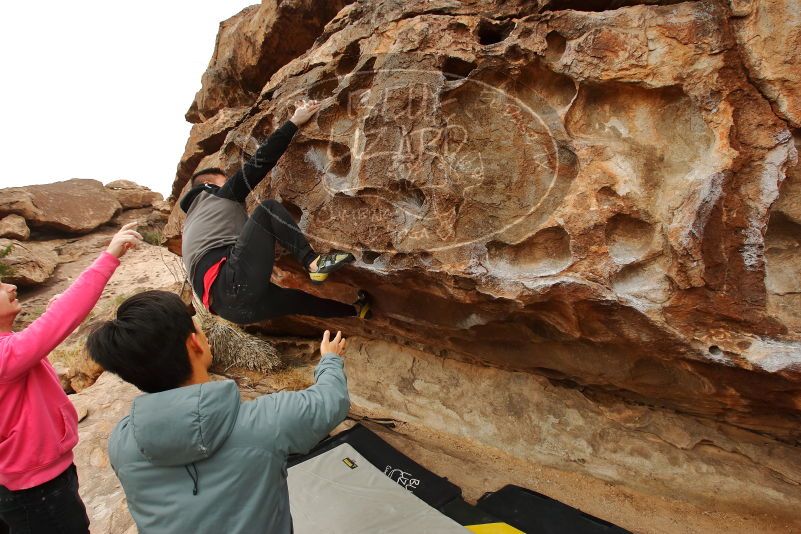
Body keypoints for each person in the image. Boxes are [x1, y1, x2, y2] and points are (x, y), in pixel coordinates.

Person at [86, 290, 350, 534]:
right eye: (195, 323)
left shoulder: (122, 442)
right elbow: (330, 401)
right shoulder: (265, 423)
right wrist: (330, 360)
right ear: (195, 344)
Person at [0, 222, 143, 534]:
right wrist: (110, 255)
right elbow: (65, 316)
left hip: (35, 480)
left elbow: (29, 353)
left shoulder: (9, 351)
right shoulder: (5, 356)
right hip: (36, 491)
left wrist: (49, 319)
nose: (11, 287)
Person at [180, 99, 370, 325]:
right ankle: (312, 261)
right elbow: (260, 162)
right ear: (212, 184)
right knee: (267, 210)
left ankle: (356, 310)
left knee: (296, 301)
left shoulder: (192, 224)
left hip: (231, 311)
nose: (231, 184)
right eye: (226, 181)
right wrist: (294, 122)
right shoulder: (216, 196)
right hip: (231, 282)